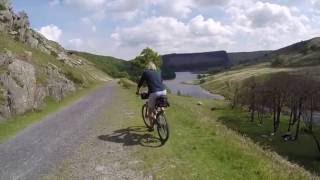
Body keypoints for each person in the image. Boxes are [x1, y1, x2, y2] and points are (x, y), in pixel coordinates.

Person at [136, 62, 167, 130]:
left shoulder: (145, 72)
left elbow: (140, 83)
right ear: (154, 67)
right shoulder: (159, 72)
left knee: (150, 111)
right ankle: (162, 114)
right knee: (161, 105)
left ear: (147, 67)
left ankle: (151, 127)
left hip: (154, 92)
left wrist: (137, 91)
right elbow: (160, 82)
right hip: (163, 90)